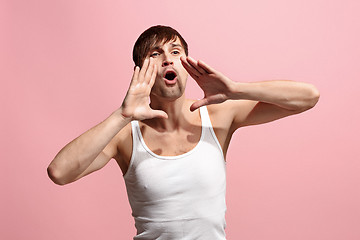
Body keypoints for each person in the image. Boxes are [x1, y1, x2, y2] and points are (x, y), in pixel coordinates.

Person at [47, 25, 320, 239]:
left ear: (185, 64)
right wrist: (122, 115)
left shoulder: (218, 116)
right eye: (156, 54)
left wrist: (236, 89)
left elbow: (308, 97)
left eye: (176, 52)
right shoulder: (125, 134)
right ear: (141, 71)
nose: (168, 59)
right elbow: (60, 172)